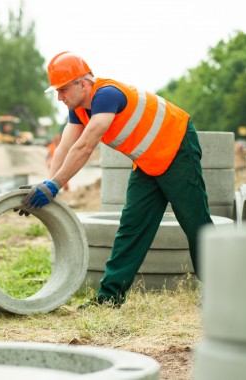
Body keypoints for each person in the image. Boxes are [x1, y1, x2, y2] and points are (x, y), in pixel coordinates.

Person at [20, 51, 213, 308]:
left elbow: (85, 146)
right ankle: (110, 297)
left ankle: (218, 287)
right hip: (147, 161)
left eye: (63, 89)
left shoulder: (107, 95)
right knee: (131, 228)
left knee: (195, 222)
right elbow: (66, 146)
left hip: (177, 147)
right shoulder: (79, 110)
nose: (59, 96)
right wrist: (48, 183)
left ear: (83, 84)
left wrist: (54, 186)